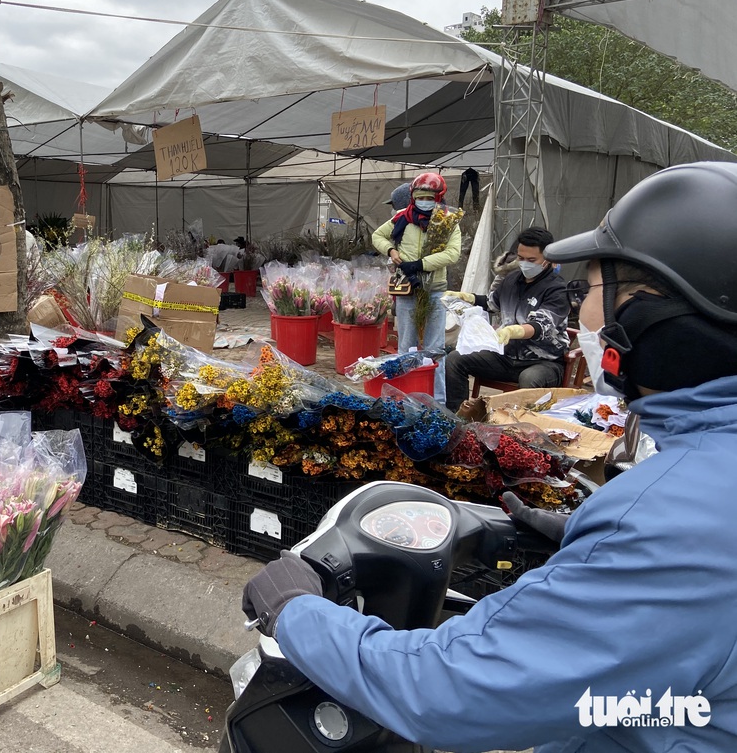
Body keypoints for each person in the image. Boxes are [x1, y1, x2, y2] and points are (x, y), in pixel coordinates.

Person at [241, 161, 737, 752]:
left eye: (597, 290)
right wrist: (588, 538)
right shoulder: (695, 490)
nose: (586, 316)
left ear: (660, 315)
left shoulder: (672, 519)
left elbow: (445, 691)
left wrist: (296, 613)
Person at [442, 227, 570, 410]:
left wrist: (514, 330)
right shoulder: (512, 280)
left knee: (529, 378)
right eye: (521, 258)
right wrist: (467, 298)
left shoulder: (557, 290)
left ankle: (520, 430)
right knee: (455, 359)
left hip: (542, 361)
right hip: (505, 356)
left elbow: (541, 325)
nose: (525, 264)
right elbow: (492, 303)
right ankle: (458, 417)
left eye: (531, 260)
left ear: (547, 259)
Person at [371, 172, 461, 403]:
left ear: (439, 197)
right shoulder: (403, 217)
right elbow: (377, 236)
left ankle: (437, 401)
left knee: (435, 348)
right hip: (407, 290)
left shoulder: (448, 222)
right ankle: (403, 396)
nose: (425, 201)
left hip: (434, 290)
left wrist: (421, 264)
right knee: (406, 345)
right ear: (413, 196)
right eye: (420, 197)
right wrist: (392, 251)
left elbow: (453, 253)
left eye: (430, 197)